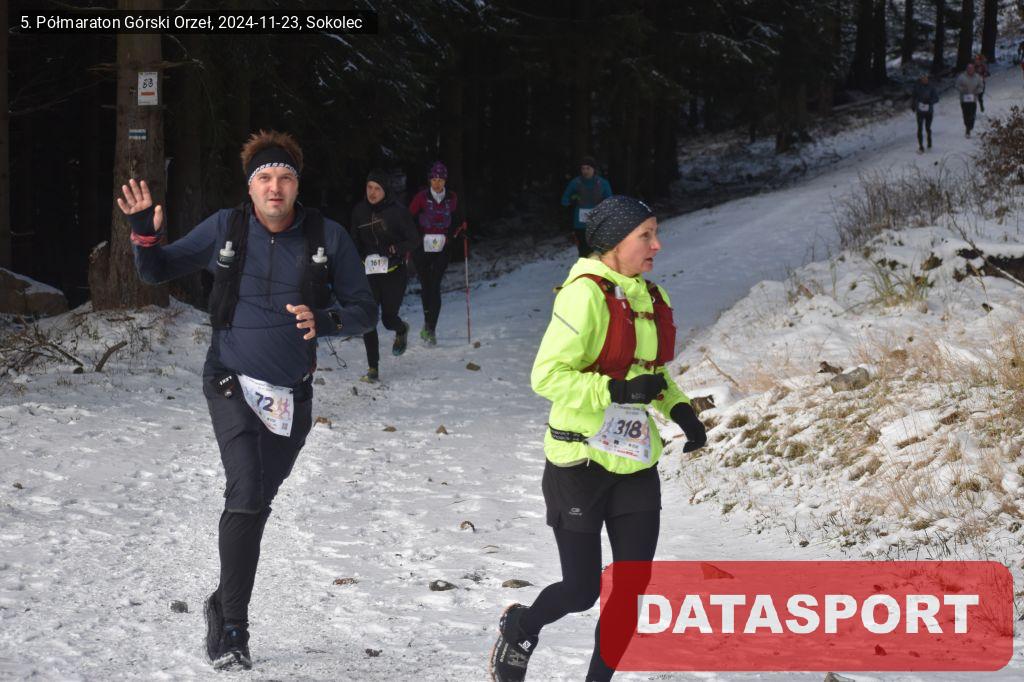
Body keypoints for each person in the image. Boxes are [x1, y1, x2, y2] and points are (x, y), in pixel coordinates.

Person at [119, 130, 376, 670]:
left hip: (291, 396)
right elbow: (156, 270)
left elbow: (364, 310)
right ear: (251, 186)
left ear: (297, 185)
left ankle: (222, 601)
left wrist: (326, 320)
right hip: (231, 381)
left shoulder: (326, 236)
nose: (274, 187)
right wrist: (144, 232)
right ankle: (233, 628)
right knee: (245, 494)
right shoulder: (225, 228)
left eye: (284, 177)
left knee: (257, 502)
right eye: (264, 178)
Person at [489, 196, 706, 682]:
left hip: (635, 464)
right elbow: (546, 376)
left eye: (656, 232)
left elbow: (651, 374)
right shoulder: (583, 295)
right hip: (579, 464)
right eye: (646, 235)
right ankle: (521, 626)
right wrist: (614, 390)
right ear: (613, 242)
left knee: (630, 591)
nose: (657, 244)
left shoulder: (652, 296)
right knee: (581, 590)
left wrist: (679, 410)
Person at [350, 170, 418, 382]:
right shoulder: (359, 211)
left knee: (388, 319)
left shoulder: (398, 212)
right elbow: (354, 240)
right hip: (369, 274)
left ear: (385, 190)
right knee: (368, 319)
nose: (372, 192)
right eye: (369, 187)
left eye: (377, 189)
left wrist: (395, 249)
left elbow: (414, 240)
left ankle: (401, 329)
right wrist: (360, 256)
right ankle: (373, 368)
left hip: (393, 273)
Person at [408, 161, 466, 346]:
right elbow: (408, 219)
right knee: (426, 286)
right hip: (422, 248)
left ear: (445, 180)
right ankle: (427, 323)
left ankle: (431, 329)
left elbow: (458, 219)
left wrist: (457, 233)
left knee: (435, 285)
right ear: (429, 180)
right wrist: (415, 239)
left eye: (440, 180)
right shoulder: (421, 197)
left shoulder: (452, 198)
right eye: (434, 179)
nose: (437, 183)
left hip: (442, 247)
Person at [560, 157, 612, 258]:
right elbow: (564, 200)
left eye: (588, 168)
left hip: (598, 223)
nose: (585, 171)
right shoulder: (575, 183)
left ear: (594, 169)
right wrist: (573, 199)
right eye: (583, 168)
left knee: (598, 253)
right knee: (583, 252)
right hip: (580, 224)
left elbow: (610, 202)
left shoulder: (603, 183)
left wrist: (603, 204)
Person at [911, 73, 939, 153]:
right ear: (921, 79)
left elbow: (936, 98)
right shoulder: (917, 86)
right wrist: (913, 105)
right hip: (920, 110)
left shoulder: (931, 87)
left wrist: (930, 102)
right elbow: (913, 97)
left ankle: (929, 141)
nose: (924, 80)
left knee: (928, 128)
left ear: (928, 79)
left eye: (926, 78)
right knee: (919, 128)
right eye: (923, 78)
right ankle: (921, 146)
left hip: (929, 111)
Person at [955, 63, 984, 137]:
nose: (970, 70)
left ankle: (970, 126)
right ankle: (967, 128)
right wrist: (962, 90)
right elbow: (957, 86)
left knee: (972, 114)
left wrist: (977, 91)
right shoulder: (961, 77)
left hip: (973, 98)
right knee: (966, 114)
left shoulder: (977, 77)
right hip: (964, 99)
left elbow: (981, 86)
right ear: (967, 69)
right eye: (969, 69)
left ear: (974, 69)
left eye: (972, 69)